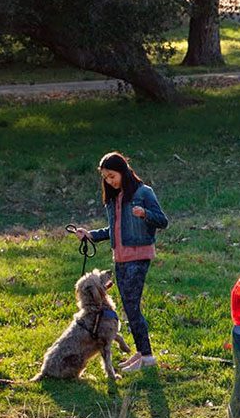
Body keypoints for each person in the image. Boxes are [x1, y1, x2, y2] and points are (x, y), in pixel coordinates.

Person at [65, 151, 168, 373]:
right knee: (130, 307)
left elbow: (163, 220)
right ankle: (141, 352)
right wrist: (90, 234)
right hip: (120, 259)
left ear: (122, 170)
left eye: (112, 175)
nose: (109, 181)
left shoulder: (143, 193)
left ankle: (148, 357)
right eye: (106, 178)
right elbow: (114, 230)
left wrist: (145, 214)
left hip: (139, 256)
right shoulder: (115, 198)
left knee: (132, 308)